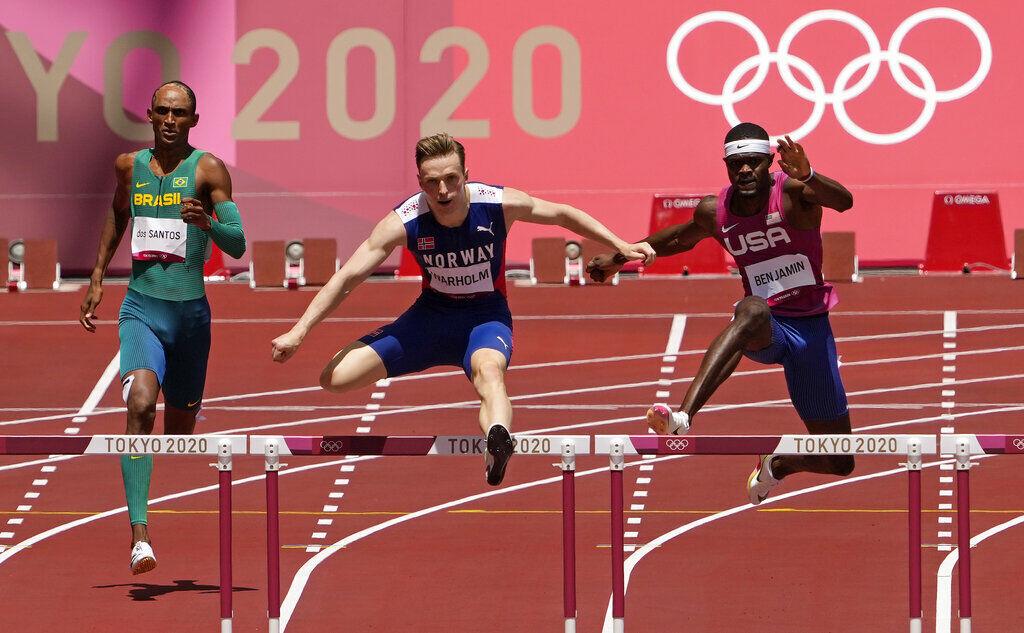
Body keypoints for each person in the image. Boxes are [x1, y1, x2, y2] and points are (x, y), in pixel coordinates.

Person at [271, 133, 654, 485]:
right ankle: (489, 428)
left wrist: (621, 243)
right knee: (334, 378)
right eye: (432, 181)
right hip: (429, 320)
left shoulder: (497, 203)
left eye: (451, 179)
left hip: (484, 318)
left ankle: (497, 440)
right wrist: (299, 331)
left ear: (466, 175)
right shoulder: (403, 221)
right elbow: (347, 277)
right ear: (420, 182)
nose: (443, 190)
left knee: (490, 373)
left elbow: (563, 214)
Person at [588, 122, 854, 505]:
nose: (744, 171)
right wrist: (619, 258)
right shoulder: (717, 211)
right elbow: (677, 238)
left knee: (839, 460)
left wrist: (809, 174)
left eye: (753, 163)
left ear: (769, 163)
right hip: (767, 329)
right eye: (736, 164)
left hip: (811, 330)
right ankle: (683, 416)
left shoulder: (795, 193)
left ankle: (778, 466)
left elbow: (844, 202)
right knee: (752, 308)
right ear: (727, 167)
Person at [79, 81, 246, 574]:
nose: (171, 120)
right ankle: (140, 537)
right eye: (163, 111)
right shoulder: (127, 167)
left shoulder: (209, 169)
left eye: (181, 113)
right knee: (140, 406)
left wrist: (207, 223)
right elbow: (116, 215)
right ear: (150, 115)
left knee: (178, 432)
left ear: (194, 121)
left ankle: (188, 406)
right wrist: (95, 277)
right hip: (140, 310)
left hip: (191, 320)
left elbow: (237, 244)